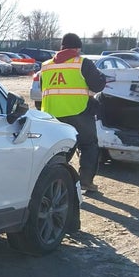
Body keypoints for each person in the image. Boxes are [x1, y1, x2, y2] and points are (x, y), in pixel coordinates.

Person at [39, 33, 108, 194]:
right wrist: (102, 77)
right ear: (77, 49)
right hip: (78, 112)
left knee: (58, 149)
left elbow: (44, 88)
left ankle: (54, 182)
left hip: (52, 115)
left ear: (61, 47)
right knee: (88, 145)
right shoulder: (82, 63)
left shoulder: (46, 66)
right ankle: (85, 182)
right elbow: (97, 85)